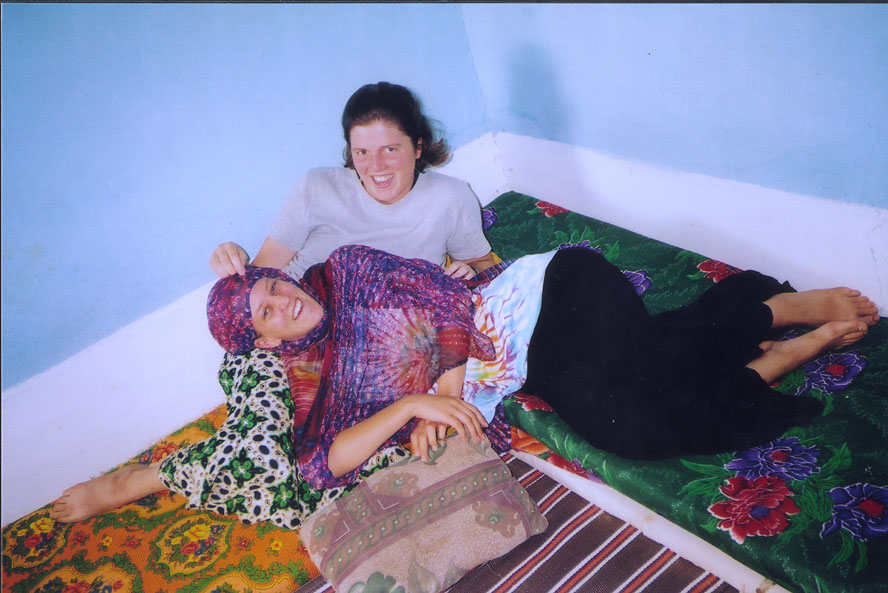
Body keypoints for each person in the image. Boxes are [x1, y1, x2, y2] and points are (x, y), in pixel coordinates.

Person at [51, 244, 878, 526]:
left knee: (649, 372)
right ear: (263, 340)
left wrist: (443, 381)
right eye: (266, 311)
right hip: (527, 363)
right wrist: (413, 405)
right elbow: (315, 467)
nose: (282, 300)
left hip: (544, 294)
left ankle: (778, 309)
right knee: (632, 426)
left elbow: (447, 297)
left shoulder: (346, 268)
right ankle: (784, 350)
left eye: (273, 285)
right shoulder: (311, 390)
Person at [209, 81, 495, 281]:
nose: (376, 166)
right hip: (304, 325)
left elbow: (481, 265)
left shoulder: (451, 199)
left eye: (390, 150)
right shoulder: (316, 187)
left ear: (418, 147)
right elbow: (261, 274)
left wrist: (469, 273)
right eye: (362, 152)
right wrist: (230, 259)